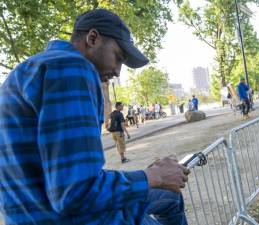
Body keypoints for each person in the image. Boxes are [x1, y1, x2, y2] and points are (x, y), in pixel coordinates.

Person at [0, 9, 189, 225]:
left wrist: (149, 176)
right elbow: (75, 193)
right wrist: (152, 177)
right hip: (74, 218)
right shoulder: (72, 67)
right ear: (92, 38)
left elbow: (63, 178)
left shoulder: (24, 71)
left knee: (170, 197)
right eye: (118, 58)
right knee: (166, 193)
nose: (118, 71)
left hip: (31, 214)